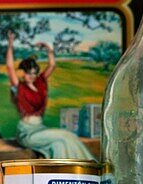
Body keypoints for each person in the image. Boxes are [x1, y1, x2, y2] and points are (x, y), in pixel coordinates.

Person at [6, 30, 91, 160]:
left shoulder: (40, 82)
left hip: (40, 128)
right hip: (27, 133)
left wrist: (49, 49)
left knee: (60, 144)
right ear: (23, 72)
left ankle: (79, 174)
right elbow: (10, 67)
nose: (32, 76)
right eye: (29, 73)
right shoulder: (19, 87)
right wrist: (10, 44)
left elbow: (52, 65)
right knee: (66, 136)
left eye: (34, 73)